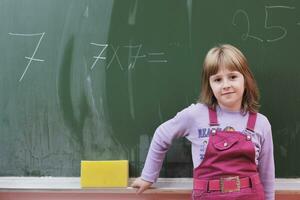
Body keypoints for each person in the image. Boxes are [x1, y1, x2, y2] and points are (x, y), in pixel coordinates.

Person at [131, 44, 275, 200]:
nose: (226, 85)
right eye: (218, 79)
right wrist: (148, 176)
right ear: (210, 85)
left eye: (233, 77)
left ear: (245, 79)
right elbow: (161, 135)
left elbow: (267, 174)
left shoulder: (261, 123)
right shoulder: (195, 115)